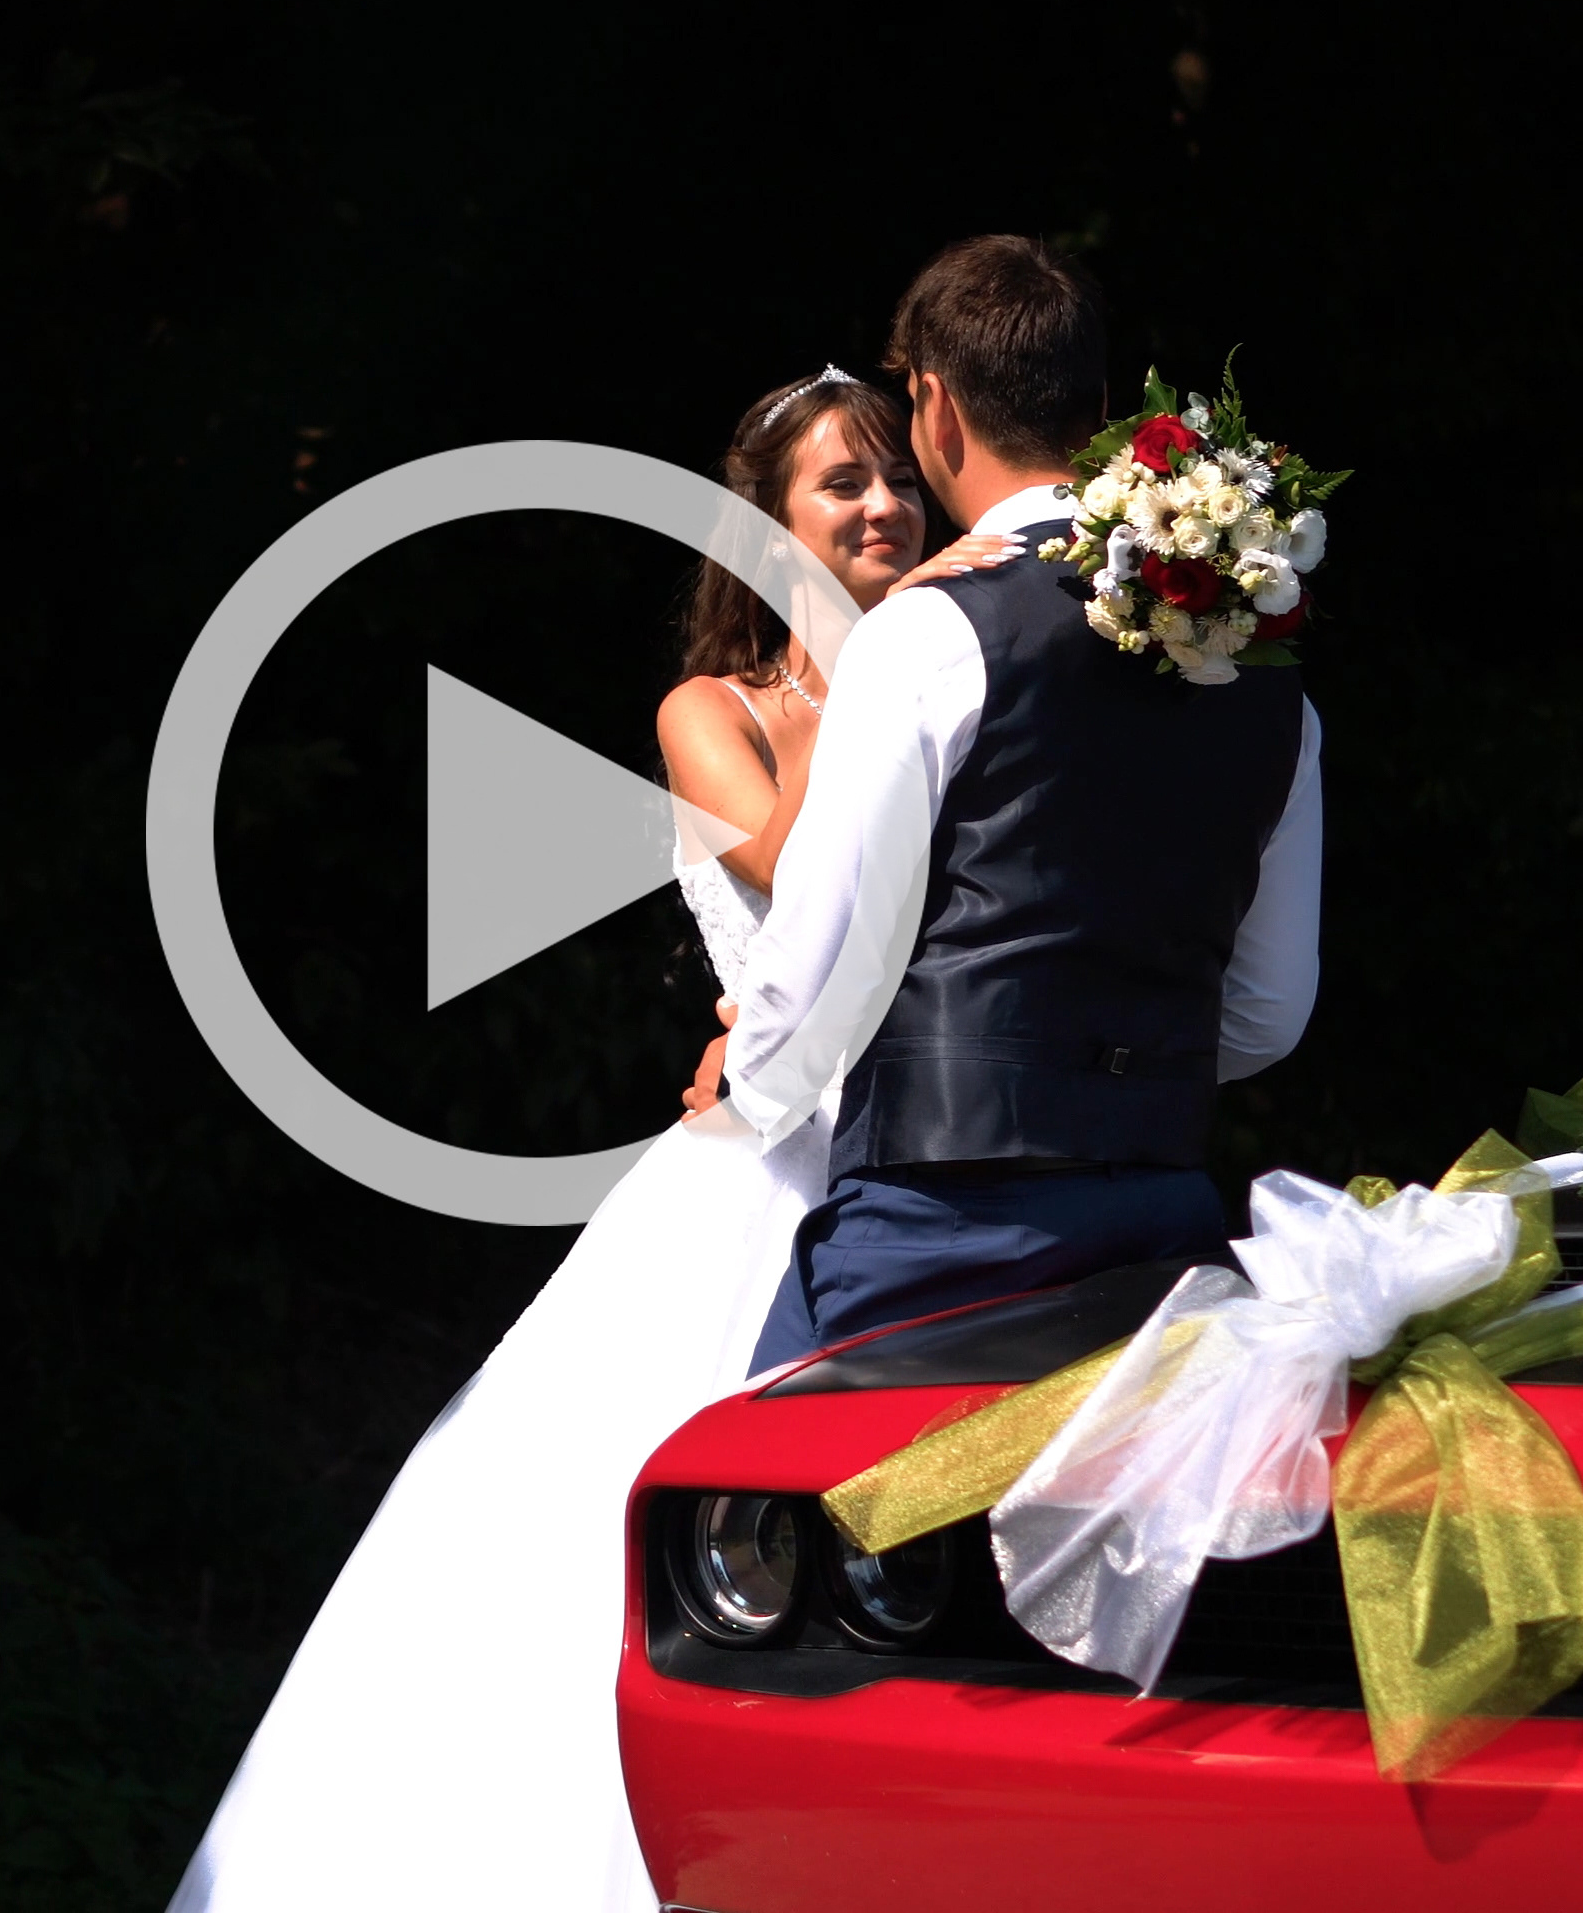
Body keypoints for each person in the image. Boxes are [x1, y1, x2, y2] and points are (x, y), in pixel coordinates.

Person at [166, 367, 1009, 1913]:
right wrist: (894, 666)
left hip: (933, 1158)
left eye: (899, 473)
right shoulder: (715, 712)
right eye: (842, 484)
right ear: (772, 528)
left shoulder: (970, 678)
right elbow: (810, 873)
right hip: (762, 1176)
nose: (886, 504)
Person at [697, 237, 1324, 1376]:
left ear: (935, 405)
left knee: (768, 1481)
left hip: (941, 1228)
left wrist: (750, 1087)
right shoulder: (1261, 665)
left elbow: (829, 950)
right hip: (1163, 1229)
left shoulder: (931, 633)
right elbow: (1268, 1014)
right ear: (1100, 403)